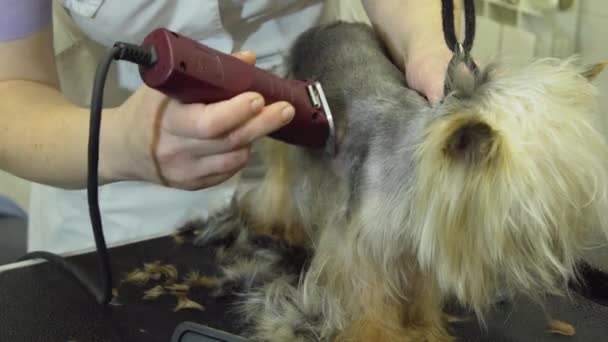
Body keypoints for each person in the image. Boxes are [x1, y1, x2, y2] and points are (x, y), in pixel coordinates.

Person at [0, 0, 458, 254]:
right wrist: (120, 144)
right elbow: (11, 89)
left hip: (313, 178)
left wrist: (430, 47)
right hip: (119, 208)